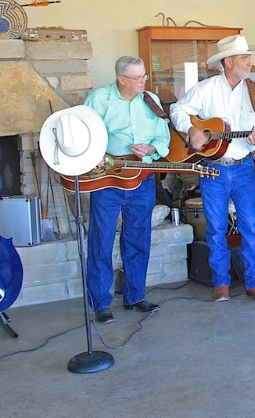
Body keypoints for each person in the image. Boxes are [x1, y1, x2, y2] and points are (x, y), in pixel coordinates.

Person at [170, 35, 255, 303]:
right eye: (244, 58)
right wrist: (192, 129)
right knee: (215, 228)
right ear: (228, 62)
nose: (250, 63)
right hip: (212, 168)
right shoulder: (206, 88)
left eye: (249, 57)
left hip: (243, 167)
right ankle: (221, 283)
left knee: (251, 225)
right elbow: (177, 110)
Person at [84, 56, 171, 323]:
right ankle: (101, 303)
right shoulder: (98, 99)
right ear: (121, 79)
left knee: (138, 237)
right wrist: (93, 154)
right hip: (107, 178)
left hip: (142, 176)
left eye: (144, 76)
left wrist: (152, 149)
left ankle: (135, 296)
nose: (144, 81)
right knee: (102, 239)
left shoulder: (151, 99)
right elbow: (83, 132)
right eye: (138, 78)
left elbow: (163, 137)